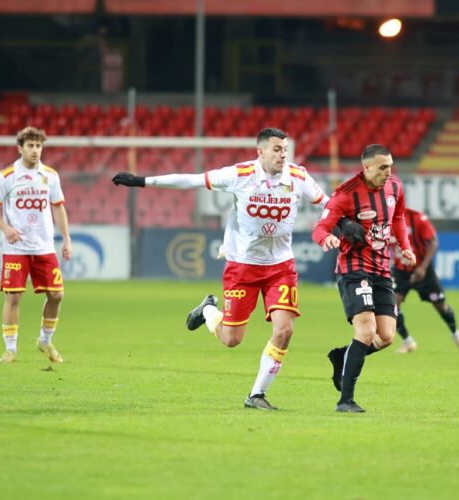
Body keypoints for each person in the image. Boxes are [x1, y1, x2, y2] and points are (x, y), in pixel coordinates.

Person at [112, 128, 328, 411]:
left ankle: (257, 395)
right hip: (242, 267)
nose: (282, 154)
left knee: (285, 330)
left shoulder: (298, 177)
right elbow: (192, 181)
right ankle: (208, 311)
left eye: (285, 149)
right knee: (231, 339)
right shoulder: (240, 175)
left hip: (280, 267)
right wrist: (144, 181)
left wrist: (338, 223)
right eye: (276, 149)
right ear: (260, 151)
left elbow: (329, 203)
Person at [312, 144, 415, 413]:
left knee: (386, 336)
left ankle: (342, 356)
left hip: (381, 270)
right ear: (366, 167)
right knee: (366, 332)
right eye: (383, 167)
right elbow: (320, 228)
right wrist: (328, 238)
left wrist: (405, 246)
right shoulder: (345, 194)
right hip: (354, 269)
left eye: (390, 165)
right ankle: (345, 400)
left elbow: (399, 218)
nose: (388, 171)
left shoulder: (395, 187)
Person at [0, 126, 72, 364]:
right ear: (20, 148)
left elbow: (58, 207)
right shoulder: (7, 176)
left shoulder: (50, 176)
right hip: (16, 249)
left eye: (38, 145)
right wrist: (6, 229)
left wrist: (66, 239)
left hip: (44, 247)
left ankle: (45, 340)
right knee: (13, 297)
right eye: (31, 146)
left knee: (57, 295)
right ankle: (10, 349)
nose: (35, 150)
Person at [390, 208, 459, 354]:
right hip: (400, 270)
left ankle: (456, 335)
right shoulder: (381, 219)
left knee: (440, 305)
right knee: (392, 305)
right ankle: (407, 341)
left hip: (422, 269)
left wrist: (423, 267)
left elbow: (433, 241)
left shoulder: (416, 218)